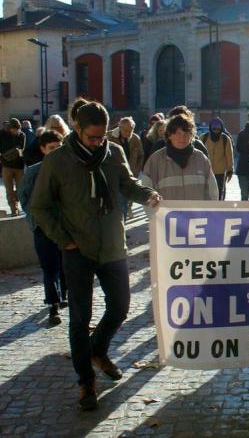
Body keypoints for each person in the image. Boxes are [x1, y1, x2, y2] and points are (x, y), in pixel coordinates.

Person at [30, 101, 161, 411]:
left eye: (104, 136)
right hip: (78, 249)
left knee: (120, 307)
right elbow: (39, 206)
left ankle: (98, 350)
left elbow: (127, 184)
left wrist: (148, 194)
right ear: (77, 129)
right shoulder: (58, 161)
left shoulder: (114, 152)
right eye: (93, 137)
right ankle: (85, 380)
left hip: (113, 244)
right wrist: (64, 239)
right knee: (80, 318)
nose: (99, 141)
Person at [18, 130, 67, 325]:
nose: (55, 152)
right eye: (51, 148)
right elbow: (24, 198)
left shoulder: (69, 170)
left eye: (58, 147)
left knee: (64, 265)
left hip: (65, 226)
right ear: (43, 149)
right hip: (43, 227)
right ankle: (53, 305)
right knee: (50, 267)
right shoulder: (33, 172)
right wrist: (35, 221)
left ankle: (63, 296)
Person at [143, 114, 218, 202]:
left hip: (197, 215)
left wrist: (209, 213)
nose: (182, 138)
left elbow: (213, 192)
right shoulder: (156, 160)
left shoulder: (201, 158)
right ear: (169, 135)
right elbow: (146, 192)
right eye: (178, 133)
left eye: (186, 133)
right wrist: (154, 214)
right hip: (166, 215)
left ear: (192, 136)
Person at [109, 117, 145, 219]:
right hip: (114, 176)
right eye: (126, 130)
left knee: (124, 202)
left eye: (131, 130)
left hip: (130, 175)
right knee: (119, 204)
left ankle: (122, 229)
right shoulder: (110, 137)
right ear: (119, 128)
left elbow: (141, 155)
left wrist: (137, 170)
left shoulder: (135, 138)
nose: (128, 132)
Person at [201, 117, 234, 200]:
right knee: (205, 194)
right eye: (214, 129)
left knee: (220, 195)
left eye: (218, 129)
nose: (216, 131)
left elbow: (229, 155)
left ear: (221, 129)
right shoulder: (203, 138)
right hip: (205, 172)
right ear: (210, 128)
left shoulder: (226, 139)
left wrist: (230, 170)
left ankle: (219, 211)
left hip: (220, 173)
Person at [0, 118, 27, 216]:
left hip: (19, 166)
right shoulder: (2, 134)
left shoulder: (22, 135)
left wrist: (16, 151)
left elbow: (22, 149)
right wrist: (6, 154)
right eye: (13, 129)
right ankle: (14, 209)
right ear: (9, 128)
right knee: (9, 189)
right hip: (6, 166)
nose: (15, 131)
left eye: (17, 129)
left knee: (21, 189)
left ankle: (15, 201)